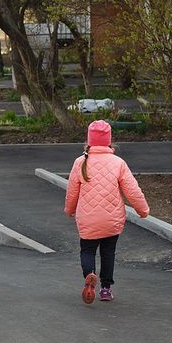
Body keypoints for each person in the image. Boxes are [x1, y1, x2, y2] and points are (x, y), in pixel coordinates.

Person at [64, 120, 150, 304]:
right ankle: (105, 289)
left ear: (89, 141)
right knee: (108, 253)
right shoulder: (118, 163)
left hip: (88, 219)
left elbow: (72, 191)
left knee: (87, 251)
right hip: (112, 220)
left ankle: (90, 275)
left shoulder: (80, 162)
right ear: (109, 141)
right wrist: (143, 210)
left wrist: (69, 210)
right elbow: (132, 190)